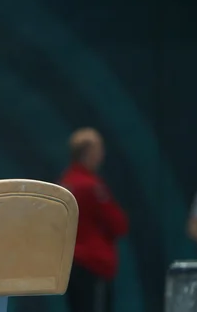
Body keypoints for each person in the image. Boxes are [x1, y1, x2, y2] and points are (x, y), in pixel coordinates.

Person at [58, 127, 128, 312]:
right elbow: (119, 224)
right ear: (88, 152)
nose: (102, 155)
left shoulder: (64, 184)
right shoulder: (92, 187)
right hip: (93, 265)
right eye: (99, 150)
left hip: (70, 265)